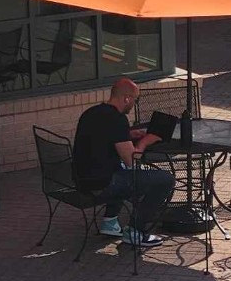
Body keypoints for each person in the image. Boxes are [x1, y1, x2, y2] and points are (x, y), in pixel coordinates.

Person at [72, 78, 174, 246]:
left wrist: (127, 135)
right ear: (127, 98)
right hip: (101, 185)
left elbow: (103, 137)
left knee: (119, 169)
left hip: (81, 179)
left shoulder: (91, 112)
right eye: (135, 99)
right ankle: (135, 231)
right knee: (164, 180)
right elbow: (131, 160)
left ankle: (110, 222)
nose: (134, 103)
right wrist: (145, 141)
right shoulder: (117, 119)